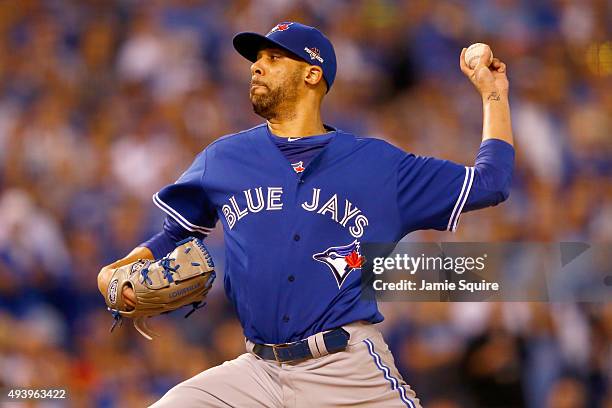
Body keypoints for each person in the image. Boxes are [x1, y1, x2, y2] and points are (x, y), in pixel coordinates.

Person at [97, 22, 514, 407]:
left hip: (345, 368)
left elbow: (491, 182)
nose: (257, 68)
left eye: (273, 58)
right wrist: (115, 273)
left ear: (312, 74)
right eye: (255, 60)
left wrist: (493, 93)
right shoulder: (224, 158)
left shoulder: (379, 165)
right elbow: (174, 235)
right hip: (256, 371)